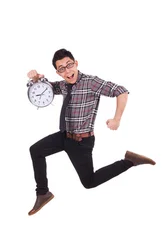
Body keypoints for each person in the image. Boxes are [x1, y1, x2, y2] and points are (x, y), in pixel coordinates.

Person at [26, 48, 156, 216]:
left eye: (69, 65)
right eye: (62, 69)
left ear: (76, 63)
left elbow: (121, 91)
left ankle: (129, 161)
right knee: (35, 150)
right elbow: (46, 88)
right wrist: (36, 79)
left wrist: (117, 119)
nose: (67, 71)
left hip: (81, 142)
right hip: (64, 136)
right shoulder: (64, 85)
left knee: (89, 182)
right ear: (58, 73)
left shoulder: (91, 82)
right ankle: (43, 193)